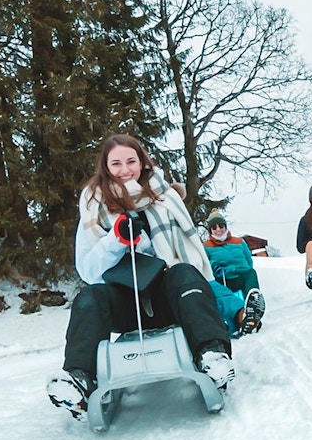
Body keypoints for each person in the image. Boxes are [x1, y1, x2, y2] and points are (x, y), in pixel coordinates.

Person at [47, 134, 235, 421]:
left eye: (131, 161)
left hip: (169, 298)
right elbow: (87, 270)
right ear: (105, 166)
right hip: (124, 301)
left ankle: (211, 355)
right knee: (89, 297)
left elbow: (187, 255)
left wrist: (145, 241)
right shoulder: (92, 203)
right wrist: (116, 240)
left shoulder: (166, 196)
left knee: (185, 273)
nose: (125, 170)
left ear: (142, 162)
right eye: (116, 163)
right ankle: (79, 377)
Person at [203, 212, 265, 337]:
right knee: (216, 289)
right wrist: (215, 266)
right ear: (210, 231)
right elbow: (206, 265)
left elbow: (249, 260)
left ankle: (252, 303)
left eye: (221, 226)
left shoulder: (239, 241)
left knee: (250, 273)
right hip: (224, 279)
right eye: (214, 228)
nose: (218, 230)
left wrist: (244, 269)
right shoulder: (206, 246)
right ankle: (241, 317)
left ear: (225, 227)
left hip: (241, 276)